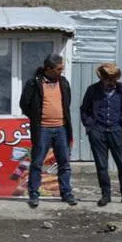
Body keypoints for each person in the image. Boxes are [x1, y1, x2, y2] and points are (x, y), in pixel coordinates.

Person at [19, 53, 77, 207]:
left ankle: (66, 194)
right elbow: (24, 104)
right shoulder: (34, 83)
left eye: (62, 68)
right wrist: (38, 118)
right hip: (42, 129)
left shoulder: (63, 82)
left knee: (64, 163)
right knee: (37, 162)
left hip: (61, 129)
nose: (61, 71)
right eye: (59, 69)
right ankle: (33, 194)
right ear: (49, 69)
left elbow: (67, 102)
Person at [80, 63, 122, 208]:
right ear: (102, 78)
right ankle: (105, 195)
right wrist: (90, 127)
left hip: (117, 131)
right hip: (98, 131)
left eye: (113, 79)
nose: (111, 82)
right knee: (102, 166)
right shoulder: (92, 90)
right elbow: (84, 109)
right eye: (108, 79)